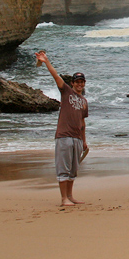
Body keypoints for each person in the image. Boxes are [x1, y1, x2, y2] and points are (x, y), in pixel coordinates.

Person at [35, 50, 88, 206]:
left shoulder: (84, 101)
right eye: (77, 82)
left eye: (82, 82)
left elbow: (83, 123)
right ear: (72, 83)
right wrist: (46, 61)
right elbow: (55, 76)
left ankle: (70, 196)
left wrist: (84, 141)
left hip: (77, 138)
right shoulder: (66, 92)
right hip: (64, 136)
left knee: (73, 170)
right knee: (63, 168)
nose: (79, 84)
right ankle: (63, 198)